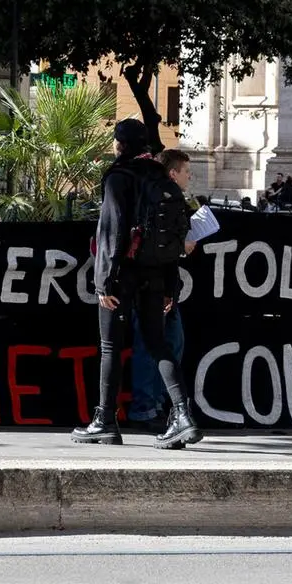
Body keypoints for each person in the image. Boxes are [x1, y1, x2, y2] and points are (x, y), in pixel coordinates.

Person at [71, 119, 201, 449]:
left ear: (120, 144)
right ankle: (182, 416)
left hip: (122, 274)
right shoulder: (161, 177)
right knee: (158, 343)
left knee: (111, 346)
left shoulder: (119, 176)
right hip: (157, 274)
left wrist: (104, 281)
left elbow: (112, 230)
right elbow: (174, 236)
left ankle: (105, 420)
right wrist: (170, 287)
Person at [128, 149, 198, 430]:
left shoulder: (165, 198)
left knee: (171, 344)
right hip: (152, 286)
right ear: (172, 173)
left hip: (164, 285)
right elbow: (158, 247)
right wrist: (182, 246)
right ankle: (146, 407)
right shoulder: (161, 199)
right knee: (153, 347)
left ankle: (156, 403)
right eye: (186, 172)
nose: (189, 177)